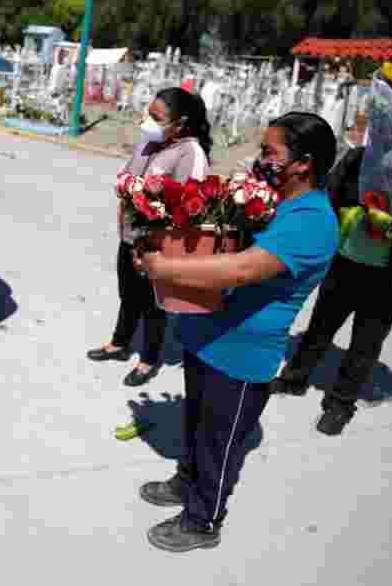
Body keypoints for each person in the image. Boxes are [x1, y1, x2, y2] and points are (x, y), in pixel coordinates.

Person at [132, 112, 338, 552]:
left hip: (243, 355)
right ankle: (187, 481)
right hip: (206, 334)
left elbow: (244, 269)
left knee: (220, 444)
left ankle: (203, 520)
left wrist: (166, 267)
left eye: (270, 152)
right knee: (195, 425)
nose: (261, 159)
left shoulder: (313, 220)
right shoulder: (271, 199)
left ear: (302, 164)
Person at [268, 144, 392, 435]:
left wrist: (389, 225)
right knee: (320, 327)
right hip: (345, 264)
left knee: (366, 344)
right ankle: (294, 379)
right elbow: (331, 193)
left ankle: (341, 403)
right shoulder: (360, 157)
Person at [87, 87, 212, 387]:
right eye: (149, 113)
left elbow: (189, 205)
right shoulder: (149, 141)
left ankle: (148, 359)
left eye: (157, 118)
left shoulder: (189, 152)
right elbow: (129, 175)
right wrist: (125, 187)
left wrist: (155, 221)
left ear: (180, 124)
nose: (148, 121)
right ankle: (119, 343)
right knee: (128, 294)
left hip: (157, 245)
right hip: (129, 235)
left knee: (153, 305)